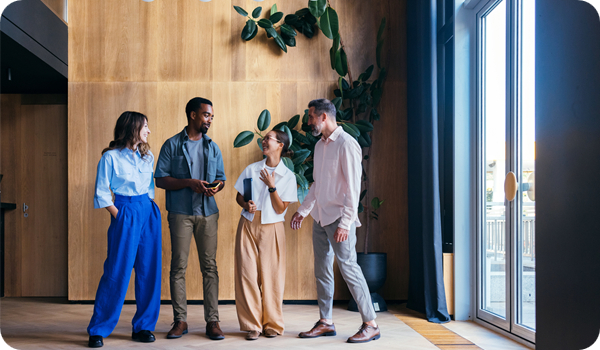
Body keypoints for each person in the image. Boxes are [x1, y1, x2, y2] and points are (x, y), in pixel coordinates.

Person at [290, 99, 381, 343]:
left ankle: (371, 323)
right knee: (322, 271)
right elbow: (318, 184)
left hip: (340, 217)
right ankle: (326, 321)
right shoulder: (319, 146)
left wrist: (345, 223)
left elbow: (353, 188)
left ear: (323, 117)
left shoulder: (347, 144)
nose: (308, 121)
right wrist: (303, 210)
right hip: (320, 216)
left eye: (311, 117)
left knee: (349, 268)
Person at [87, 111, 162, 348]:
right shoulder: (109, 158)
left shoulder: (147, 156)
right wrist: (120, 216)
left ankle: (144, 326)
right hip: (125, 211)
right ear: (132, 128)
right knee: (116, 271)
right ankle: (99, 329)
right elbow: (101, 192)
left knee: (149, 271)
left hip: (148, 211)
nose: (148, 131)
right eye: (145, 126)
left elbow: (149, 188)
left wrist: (149, 211)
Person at [154, 97, 227, 340]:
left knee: (210, 268)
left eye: (212, 117)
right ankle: (180, 320)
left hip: (208, 214)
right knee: (178, 268)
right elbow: (160, 179)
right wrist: (189, 183)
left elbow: (221, 178)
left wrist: (216, 187)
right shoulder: (172, 145)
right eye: (207, 115)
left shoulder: (212, 146)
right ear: (193, 115)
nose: (210, 120)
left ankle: (213, 322)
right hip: (181, 214)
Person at [233, 129, 298, 340]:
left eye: (268, 138)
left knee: (272, 277)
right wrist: (246, 204)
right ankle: (252, 325)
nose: (264, 141)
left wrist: (272, 187)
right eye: (264, 138)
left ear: (280, 145)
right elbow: (239, 197)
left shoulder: (288, 176)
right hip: (248, 224)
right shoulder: (251, 169)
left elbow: (280, 209)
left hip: (273, 228)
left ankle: (272, 324)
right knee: (247, 275)